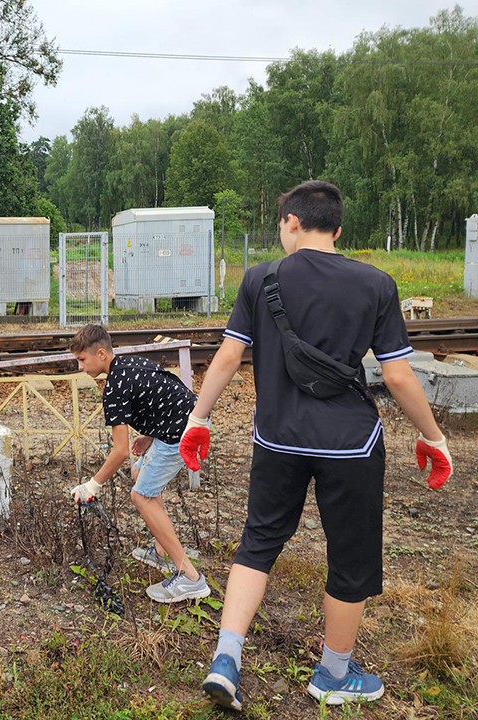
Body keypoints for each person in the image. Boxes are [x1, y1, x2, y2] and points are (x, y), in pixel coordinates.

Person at [180, 180, 452, 711]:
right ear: (339, 229)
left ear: (291, 223)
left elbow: (230, 358)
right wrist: (433, 435)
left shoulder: (260, 280)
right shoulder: (376, 283)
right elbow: (397, 378)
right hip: (350, 446)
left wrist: (198, 418)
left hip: (278, 439)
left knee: (258, 543)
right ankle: (333, 674)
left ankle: (226, 659)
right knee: (350, 558)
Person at [67, 323, 210, 603]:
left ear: (100, 354)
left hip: (181, 434)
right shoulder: (130, 362)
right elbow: (167, 393)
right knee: (139, 471)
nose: (81, 367)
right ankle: (160, 551)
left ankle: (190, 578)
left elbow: (119, 451)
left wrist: (93, 484)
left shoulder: (114, 389)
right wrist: (148, 435)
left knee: (140, 496)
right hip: (192, 420)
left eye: (82, 360)